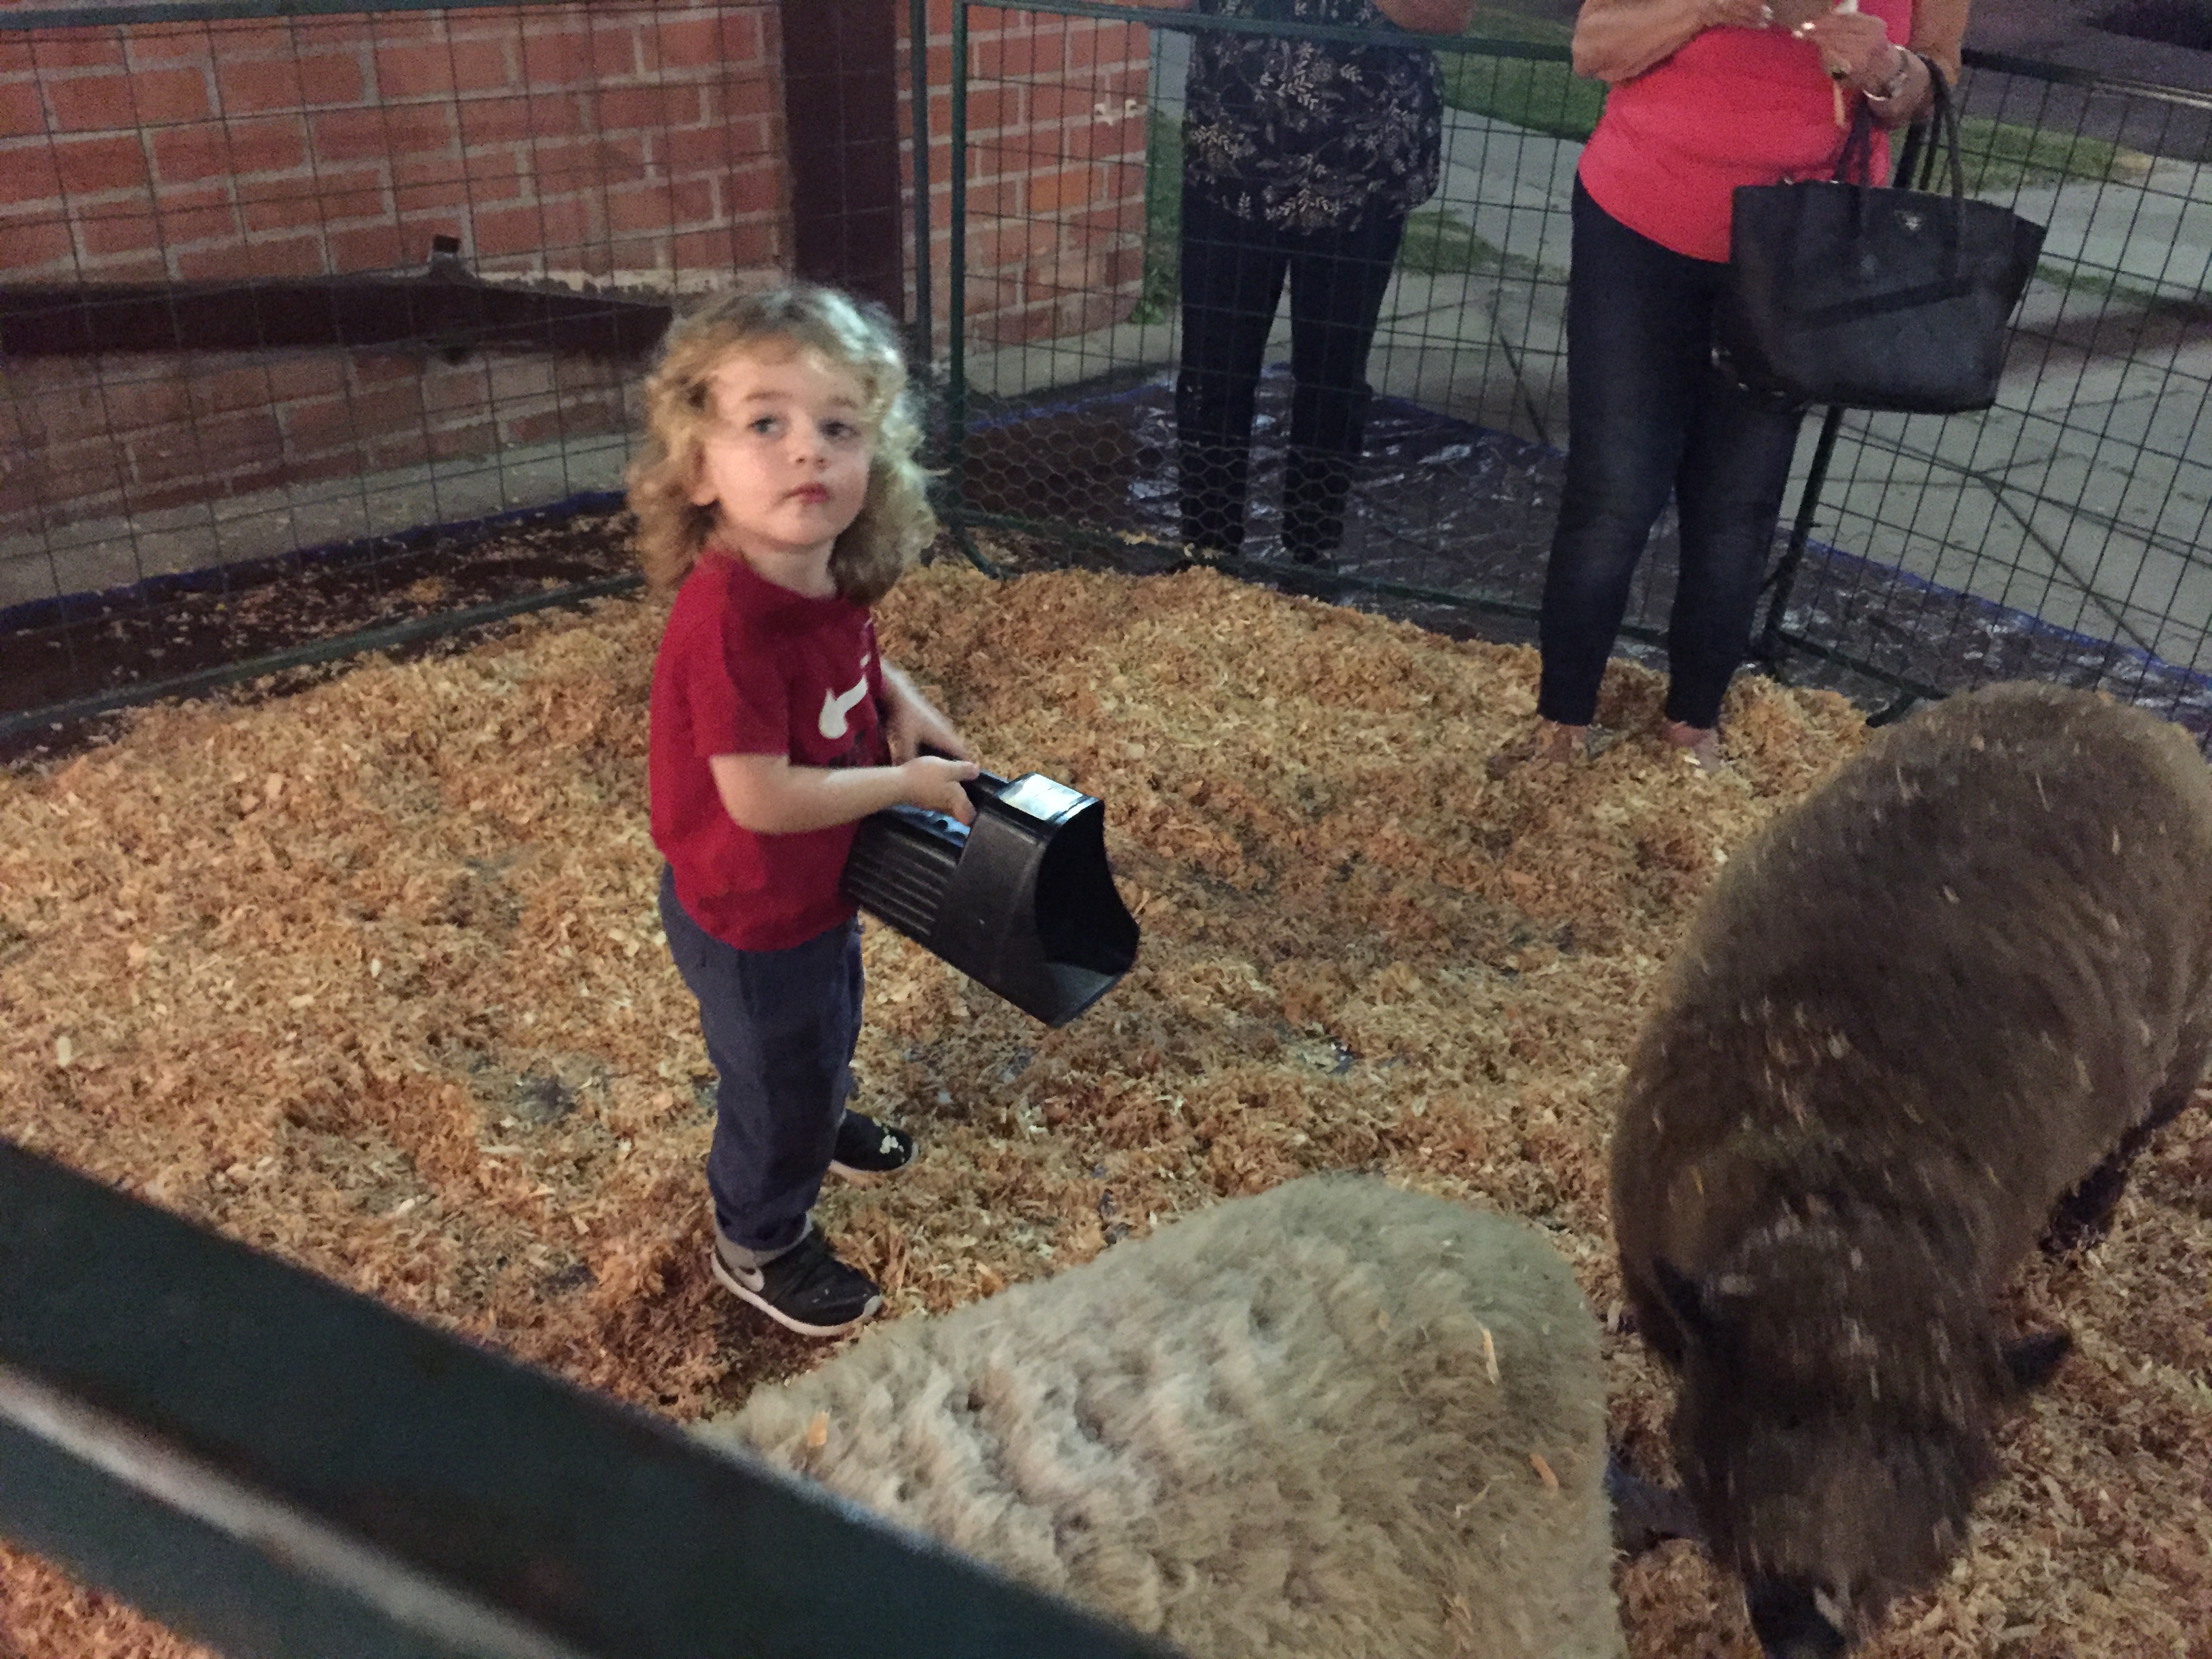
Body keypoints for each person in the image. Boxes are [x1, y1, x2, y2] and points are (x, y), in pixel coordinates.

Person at [628, 283, 980, 1338]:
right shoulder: (729, 620)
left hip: (816, 889)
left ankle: (817, 1114)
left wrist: (902, 701)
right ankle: (760, 1240)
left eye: (839, 428)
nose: (806, 453)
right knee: (774, 1075)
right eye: (765, 425)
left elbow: (856, 657)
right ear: (698, 468)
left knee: (826, 1026)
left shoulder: (819, 573)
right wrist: (907, 787)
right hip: (751, 910)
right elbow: (762, 797)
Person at [1517, 0, 1969, 771]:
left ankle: (1694, 726)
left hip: (1798, 248)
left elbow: (1938, 78)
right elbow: (1594, 48)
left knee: (1739, 501)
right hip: (1641, 222)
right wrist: (1703, 8)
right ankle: (1562, 722)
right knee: (1614, 489)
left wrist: (1890, 72)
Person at [1116, 0, 1477, 564]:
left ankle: (1313, 557)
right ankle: (1207, 558)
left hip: (1359, 177)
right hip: (1231, 163)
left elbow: (1449, 17)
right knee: (1214, 371)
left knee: (1333, 376)